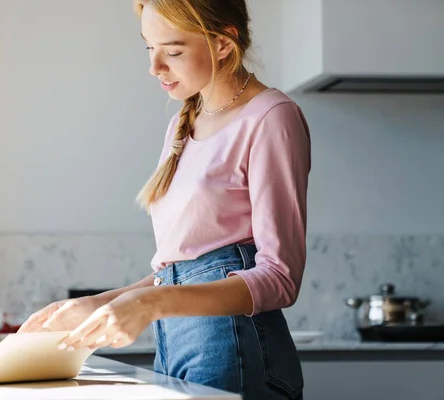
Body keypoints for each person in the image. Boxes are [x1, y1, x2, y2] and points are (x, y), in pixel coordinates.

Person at [19, 0, 311, 398]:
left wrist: (150, 304)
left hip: (234, 346)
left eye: (172, 51)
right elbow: (180, 267)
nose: (154, 67)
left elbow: (279, 278)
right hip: (173, 341)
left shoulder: (271, 116)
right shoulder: (182, 122)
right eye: (149, 49)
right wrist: (101, 304)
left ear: (224, 43)